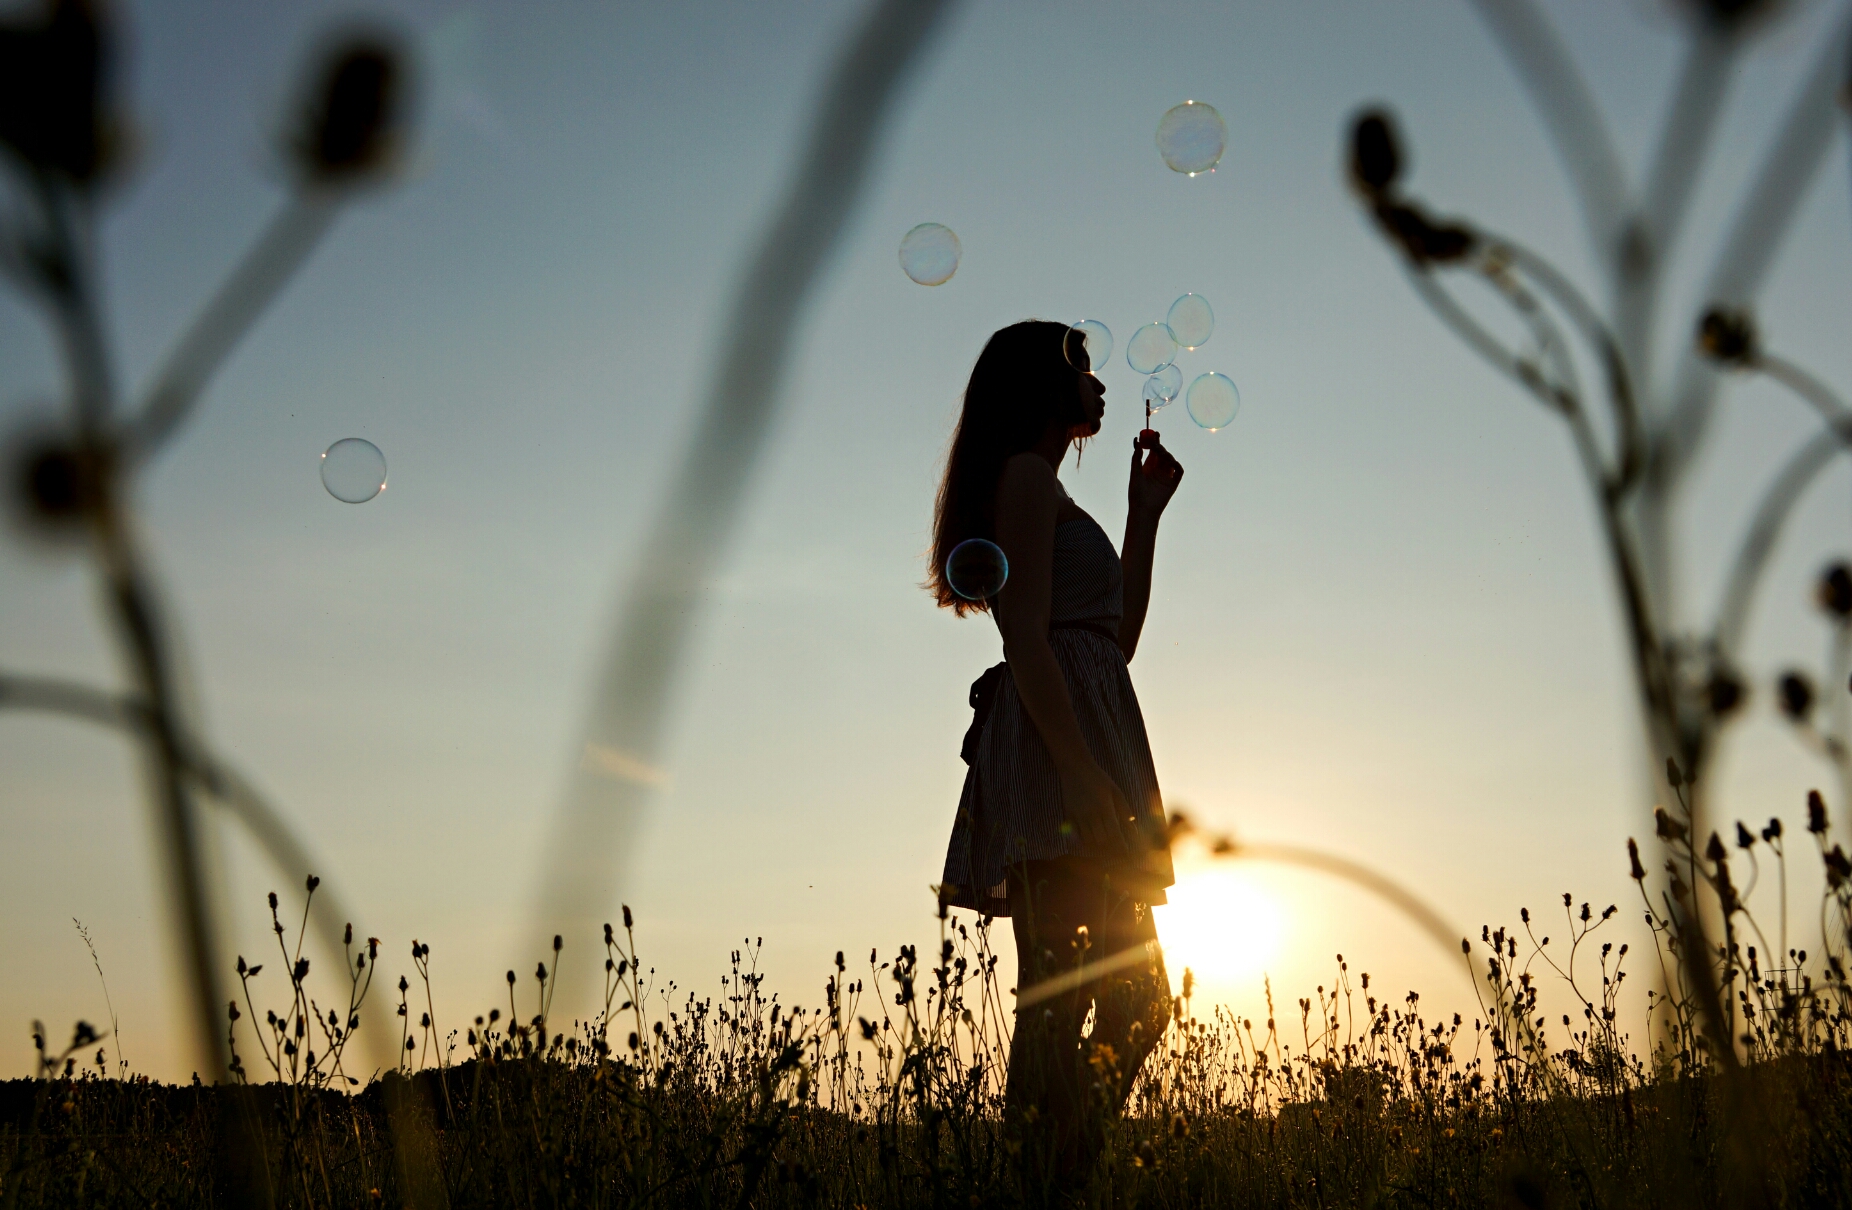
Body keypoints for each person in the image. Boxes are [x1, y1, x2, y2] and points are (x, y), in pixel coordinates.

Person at [928, 319, 1184, 1192]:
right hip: (1056, 755)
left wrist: (1141, 517)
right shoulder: (1027, 478)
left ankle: (1046, 1175)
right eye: (1083, 367)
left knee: (1109, 990)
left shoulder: (1045, 488)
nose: (1100, 384)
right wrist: (1081, 774)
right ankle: (1040, 1180)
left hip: (1086, 735)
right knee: (1073, 991)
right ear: (1041, 387)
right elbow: (1028, 641)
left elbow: (1116, 640)